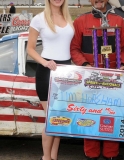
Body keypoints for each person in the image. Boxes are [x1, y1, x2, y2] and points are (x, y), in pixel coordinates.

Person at [70, 0, 124, 159]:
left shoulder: (118, 20)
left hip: (113, 78)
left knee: (112, 115)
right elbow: (74, 48)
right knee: (91, 115)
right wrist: (85, 65)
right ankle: (91, 154)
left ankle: (111, 154)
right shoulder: (80, 21)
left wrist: (123, 65)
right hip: (90, 79)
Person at [27, 0, 74, 159]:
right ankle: (46, 158)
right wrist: (45, 62)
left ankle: (54, 157)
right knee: (51, 119)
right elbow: (30, 49)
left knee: (59, 120)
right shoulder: (39, 18)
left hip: (65, 73)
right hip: (47, 72)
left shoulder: (67, 17)